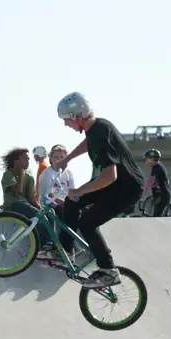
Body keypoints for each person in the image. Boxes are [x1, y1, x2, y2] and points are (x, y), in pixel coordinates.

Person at [52, 92, 144, 289]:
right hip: (115, 184)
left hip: (126, 188)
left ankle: (108, 270)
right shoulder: (96, 127)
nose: (66, 125)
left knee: (87, 222)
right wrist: (68, 159)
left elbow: (110, 176)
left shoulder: (100, 133)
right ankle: (65, 251)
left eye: (67, 120)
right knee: (72, 201)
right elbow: (88, 143)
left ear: (77, 116)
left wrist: (80, 191)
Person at [0, 147, 53, 251]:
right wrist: (20, 173)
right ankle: (40, 247)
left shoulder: (29, 177)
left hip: (26, 205)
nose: (28, 161)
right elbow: (17, 191)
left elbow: (31, 198)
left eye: (29, 159)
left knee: (49, 214)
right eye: (25, 158)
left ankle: (48, 242)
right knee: (33, 213)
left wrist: (41, 208)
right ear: (16, 161)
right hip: (13, 205)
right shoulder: (8, 174)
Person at [38, 144, 75, 209]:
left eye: (62, 157)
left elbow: (73, 193)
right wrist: (63, 203)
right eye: (55, 157)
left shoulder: (69, 173)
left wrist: (79, 201)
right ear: (51, 159)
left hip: (67, 204)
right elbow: (47, 195)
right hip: (51, 206)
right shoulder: (47, 173)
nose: (59, 159)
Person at [142, 148, 171, 216]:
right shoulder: (159, 167)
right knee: (162, 217)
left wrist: (143, 193)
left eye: (147, 159)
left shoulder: (156, 167)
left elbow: (150, 181)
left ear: (151, 159)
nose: (146, 161)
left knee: (156, 218)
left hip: (162, 197)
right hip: (163, 196)